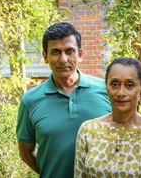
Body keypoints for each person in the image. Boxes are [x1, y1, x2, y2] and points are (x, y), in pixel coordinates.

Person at [16, 22, 112, 178]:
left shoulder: (106, 91)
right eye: (55, 52)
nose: (63, 59)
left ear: (80, 55)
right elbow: (26, 153)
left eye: (70, 51)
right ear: (45, 56)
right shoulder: (30, 101)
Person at [74, 57, 141, 177]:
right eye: (114, 84)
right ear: (106, 87)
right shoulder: (88, 130)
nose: (121, 93)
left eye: (129, 85)